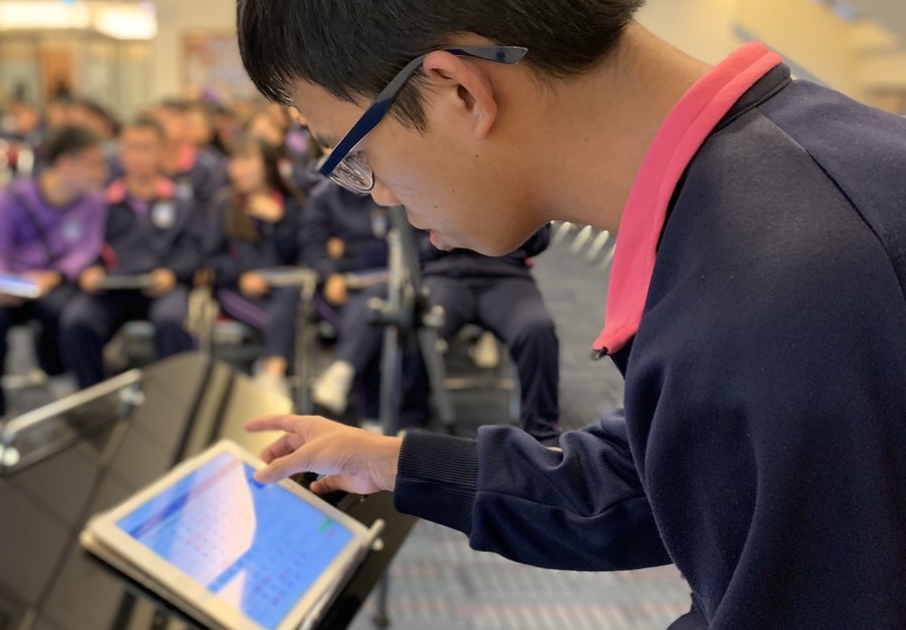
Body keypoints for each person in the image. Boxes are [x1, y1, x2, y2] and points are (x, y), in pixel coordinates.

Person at [236, 0, 906, 626]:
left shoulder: (784, 295)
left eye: (354, 156)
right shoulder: (781, 193)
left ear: (457, 92)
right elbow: (661, 478)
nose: (377, 195)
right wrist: (398, 463)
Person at [0, 125, 107, 427]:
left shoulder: (93, 202)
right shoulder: (13, 197)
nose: (101, 172)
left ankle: (57, 373)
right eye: (94, 164)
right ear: (66, 163)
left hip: (55, 282)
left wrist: (52, 277)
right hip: (14, 282)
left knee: (64, 312)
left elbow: (86, 250)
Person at [60, 118, 198, 390]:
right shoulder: (101, 201)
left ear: (162, 151)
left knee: (171, 320)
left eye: (146, 148)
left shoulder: (181, 200)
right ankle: (94, 399)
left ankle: (176, 397)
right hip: (113, 286)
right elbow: (81, 248)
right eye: (131, 148)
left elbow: (193, 250)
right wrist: (88, 270)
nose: (138, 156)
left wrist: (172, 272)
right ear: (120, 153)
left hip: (162, 285)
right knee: (77, 320)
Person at [409, 226, 561, 441]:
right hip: (445, 276)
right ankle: (410, 423)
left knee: (537, 329)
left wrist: (503, 232)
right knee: (418, 326)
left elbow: (540, 241)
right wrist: (452, 236)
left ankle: (542, 432)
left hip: (506, 276)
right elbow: (414, 247)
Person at [203, 135, 306, 396]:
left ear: (268, 165)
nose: (239, 169)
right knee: (286, 325)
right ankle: (273, 375)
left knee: (291, 299)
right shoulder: (224, 204)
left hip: (280, 291)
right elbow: (211, 257)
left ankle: (270, 372)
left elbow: (297, 254)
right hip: (236, 290)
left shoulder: (290, 204)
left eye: (247, 160)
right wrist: (240, 277)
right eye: (234, 161)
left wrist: (279, 222)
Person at [302, 180, 391, 416]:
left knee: (375, 308)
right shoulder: (324, 196)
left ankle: (343, 369)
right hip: (342, 286)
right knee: (369, 316)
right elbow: (313, 248)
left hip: (389, 282)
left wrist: (349, 249)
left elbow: (398, 244)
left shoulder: (391, 188)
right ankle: (370, 412)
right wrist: (329, 274)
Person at [154, 99, 228, 211]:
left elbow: (211, 211)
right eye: (158, 122)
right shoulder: (149, 164)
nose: (162, 128)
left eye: (168, 121)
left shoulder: (206, 168)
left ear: (185, 125)